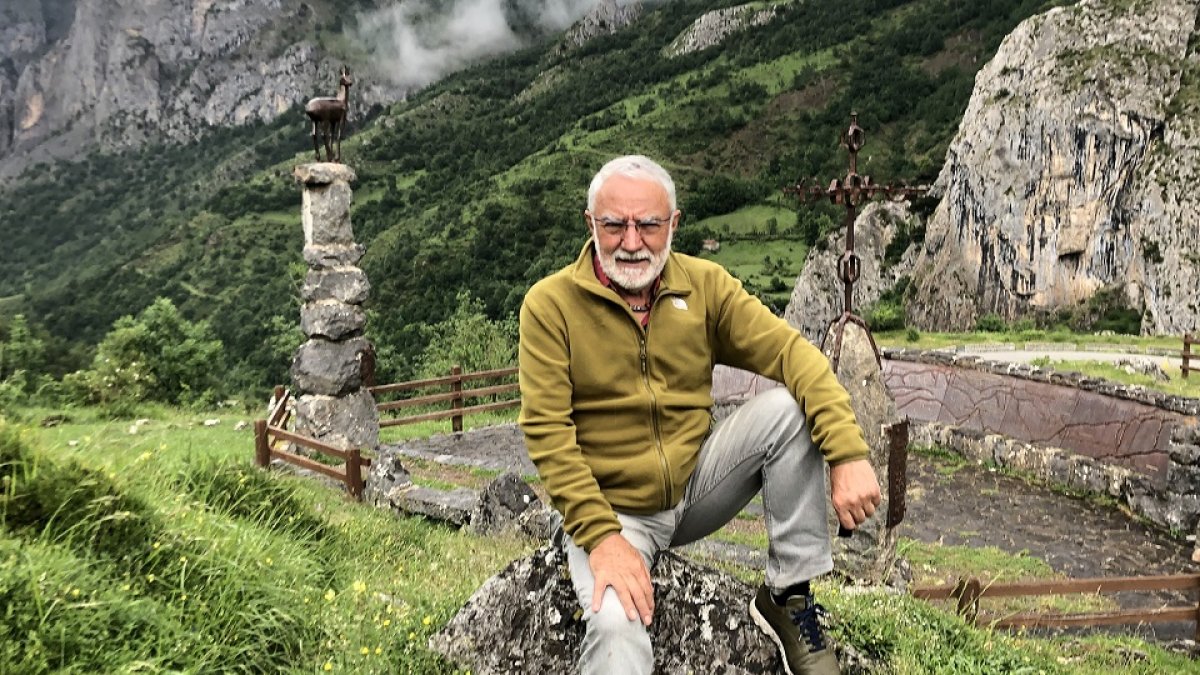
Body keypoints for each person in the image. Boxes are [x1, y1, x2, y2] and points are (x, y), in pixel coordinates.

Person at [517, 155, 881, 675]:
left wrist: (847, 452)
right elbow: (548, 432)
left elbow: (792, 354)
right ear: (590, 224)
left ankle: (788, 595)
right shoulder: (550, 305)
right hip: (615, 509)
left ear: (674, 223)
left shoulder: (705, 286)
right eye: (614, 224)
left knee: (787, 409)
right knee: (616, 623)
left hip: (696, 488)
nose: (632, 241)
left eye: (648, 223)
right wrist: (602, 539)